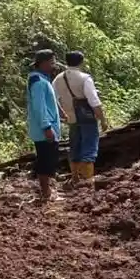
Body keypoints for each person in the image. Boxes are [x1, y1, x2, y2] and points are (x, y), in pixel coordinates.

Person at [53, 50, 110, 182]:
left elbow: (54, 99)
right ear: (81, 62)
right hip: (87, 116)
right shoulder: (85, 78)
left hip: (70, 116)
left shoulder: (58, 79)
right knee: (89, 144)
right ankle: (88, 179)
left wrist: (62, 114)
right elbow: (94, 101)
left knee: (75, 145)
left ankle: (75, 177)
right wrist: (102, 119)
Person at [26, 49, 63, 204]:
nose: (54, 65)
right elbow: (39, 106)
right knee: (45, 161)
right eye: (52, 62)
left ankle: (47, 191)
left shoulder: (43, 79)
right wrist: (47, 127)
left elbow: (49, 102)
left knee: (48, 159)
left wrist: (60, 114)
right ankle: (46, 193)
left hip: (47, 127)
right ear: (43, 63)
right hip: (44, 129)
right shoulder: (38, 82)